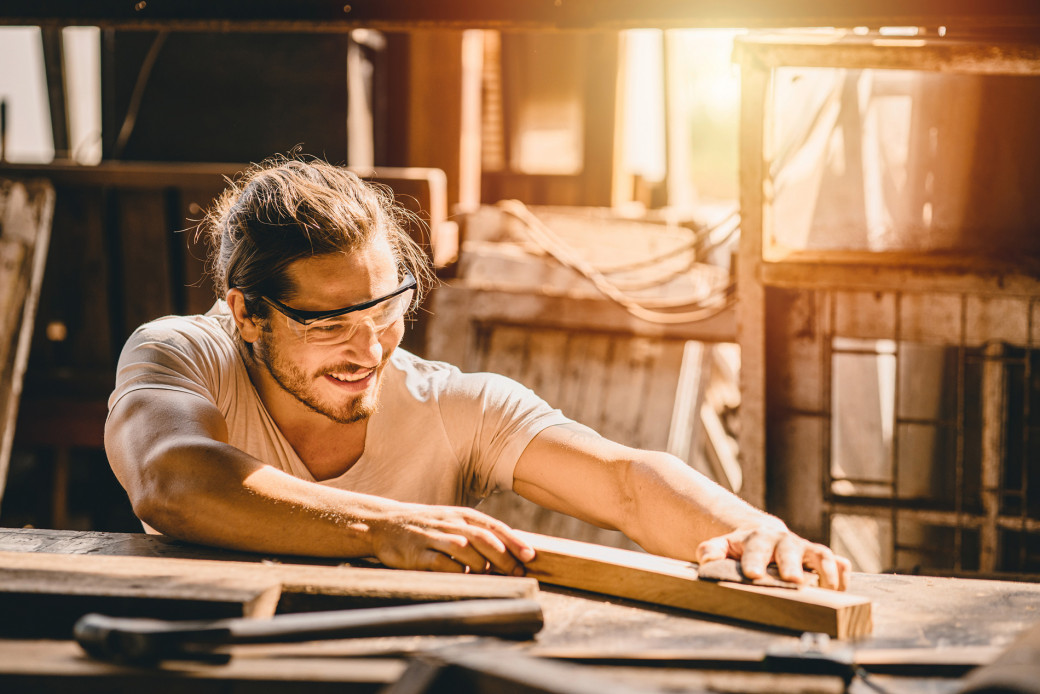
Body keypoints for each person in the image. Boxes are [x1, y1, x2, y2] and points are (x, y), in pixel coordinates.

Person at [105, 156, 850, 589]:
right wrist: (384, 528)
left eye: (386, 311)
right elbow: (174, 480)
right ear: (247, 313)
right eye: (329, 325)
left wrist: (752, 531)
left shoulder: (453, 407)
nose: (369, 350)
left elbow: (625, 481)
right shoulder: (182, 354)